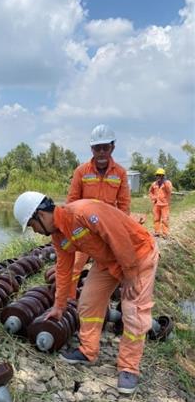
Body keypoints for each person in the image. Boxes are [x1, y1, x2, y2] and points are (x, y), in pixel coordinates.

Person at [13, 191, 159, 394]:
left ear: (41, 214)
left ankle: (128, 367)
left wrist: (131, 275)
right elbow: (63, 270)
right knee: (88, 302)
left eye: (32, 225)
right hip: (108, 262)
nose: (35, 231)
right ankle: (88, 351)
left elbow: (120, 238)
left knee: (133, 310)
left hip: (137, 255)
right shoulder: (58, 236)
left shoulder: (84, 212)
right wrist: (59, 305)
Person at [66, 124, 131, 299]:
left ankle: (104, 302)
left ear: (113, 147)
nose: (101, 152)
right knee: (75, 265)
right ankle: (70, 301)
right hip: (84, 229)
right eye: (97, 148)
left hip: (107, 228)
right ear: (91, 149)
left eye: (105, 147)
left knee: (110, 266)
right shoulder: (81, 171)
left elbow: (124, 204)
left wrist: (121, 231)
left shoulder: (120, 173)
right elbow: (71, 202)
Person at [148, 168, 173, 238]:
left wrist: (164, 182)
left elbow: (169, 191)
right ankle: (157, 232)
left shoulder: (168, 183)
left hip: (165, 204)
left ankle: (165, 233)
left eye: (160, 175)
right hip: (156, 204)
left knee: (165, 219)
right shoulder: (154, 184)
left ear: (163, 176)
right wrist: (153, 198)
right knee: (156, 218)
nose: (158, 176)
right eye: (157, 175)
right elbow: (150, 192)